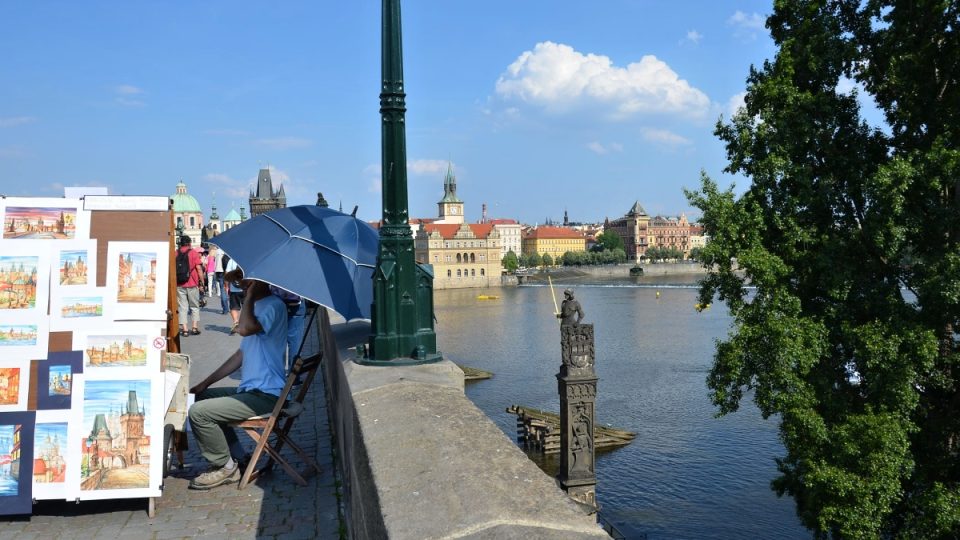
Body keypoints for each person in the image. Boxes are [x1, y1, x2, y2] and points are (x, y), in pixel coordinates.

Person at [187, 277, 289, 490]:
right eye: (240, 280)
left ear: (262, 280)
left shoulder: (273, 306)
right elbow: (239, 355)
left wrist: (249, 297)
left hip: (267, 395)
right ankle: (239, 457)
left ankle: (224, 467)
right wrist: (205, 383)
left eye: (247, 280)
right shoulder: (258, 305)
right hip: (252, 391)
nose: (242, 284)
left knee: (199, 412)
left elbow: (244, 329)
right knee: (200, 397)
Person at [176, 236, 203, 336]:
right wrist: (202, 282)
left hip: (179, 284)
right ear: (189, 243)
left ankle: (185, 330)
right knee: (194, 306)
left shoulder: (176, 253)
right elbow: (199, 269)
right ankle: (194, 328)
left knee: (182, 307)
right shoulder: (193, 253)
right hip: (192, 283)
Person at [224, 257, 244, 334]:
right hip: (245, 288)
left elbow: (227, 274)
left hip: (234, 288)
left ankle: (236, 322)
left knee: (234, 307)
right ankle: (246, 323)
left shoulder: (232, 260)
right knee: (247, 306)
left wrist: (226, 286)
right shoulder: (247, 259)